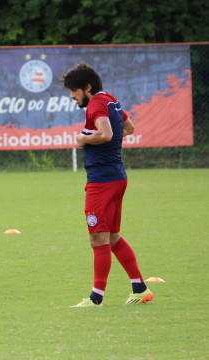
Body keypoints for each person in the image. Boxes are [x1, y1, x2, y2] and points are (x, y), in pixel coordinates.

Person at [61, 63, 153, 307]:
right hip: (116, 176)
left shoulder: (96, 104)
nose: (72, 96)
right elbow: (129, 128)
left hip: (102, 181)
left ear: (87, 87)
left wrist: (83, 138)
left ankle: (96, 298)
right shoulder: (110, 99)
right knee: (112, 237)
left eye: (74, 90)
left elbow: (106, 134)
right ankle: (140, 288)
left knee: (97, 238)